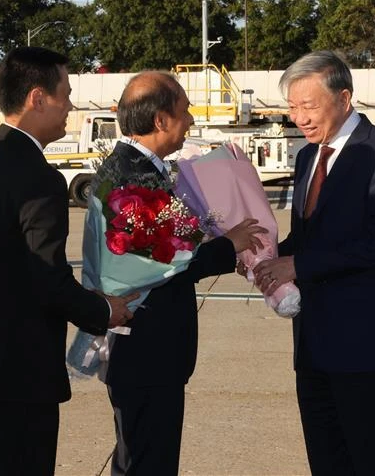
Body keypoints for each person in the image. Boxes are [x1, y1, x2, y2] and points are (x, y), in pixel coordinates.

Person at [0, 47, 137, 476]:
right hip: (20, 376)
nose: (70, 106)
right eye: (65, 94)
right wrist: (105, 310)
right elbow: (45, 280)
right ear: (37, 98)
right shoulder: (38, 177)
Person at [252, 50, 375, 475]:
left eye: (309, 106)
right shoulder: (308, 156)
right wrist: (265, 256)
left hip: (367, 345)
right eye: (292, 107)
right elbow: (307, 237)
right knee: (327, 460)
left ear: (344, 99)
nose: (299, 118)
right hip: (314, 344)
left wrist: (297, 267)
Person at [96, 71, 266, 476]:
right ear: (160, 120)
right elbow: (163, 262)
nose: (189, 120)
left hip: (147, 352)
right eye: (185, 110)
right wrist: (231, 244)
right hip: (146, 352)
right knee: (146, 460)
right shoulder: (132, 175)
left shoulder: (141, 169)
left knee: (144, 455)